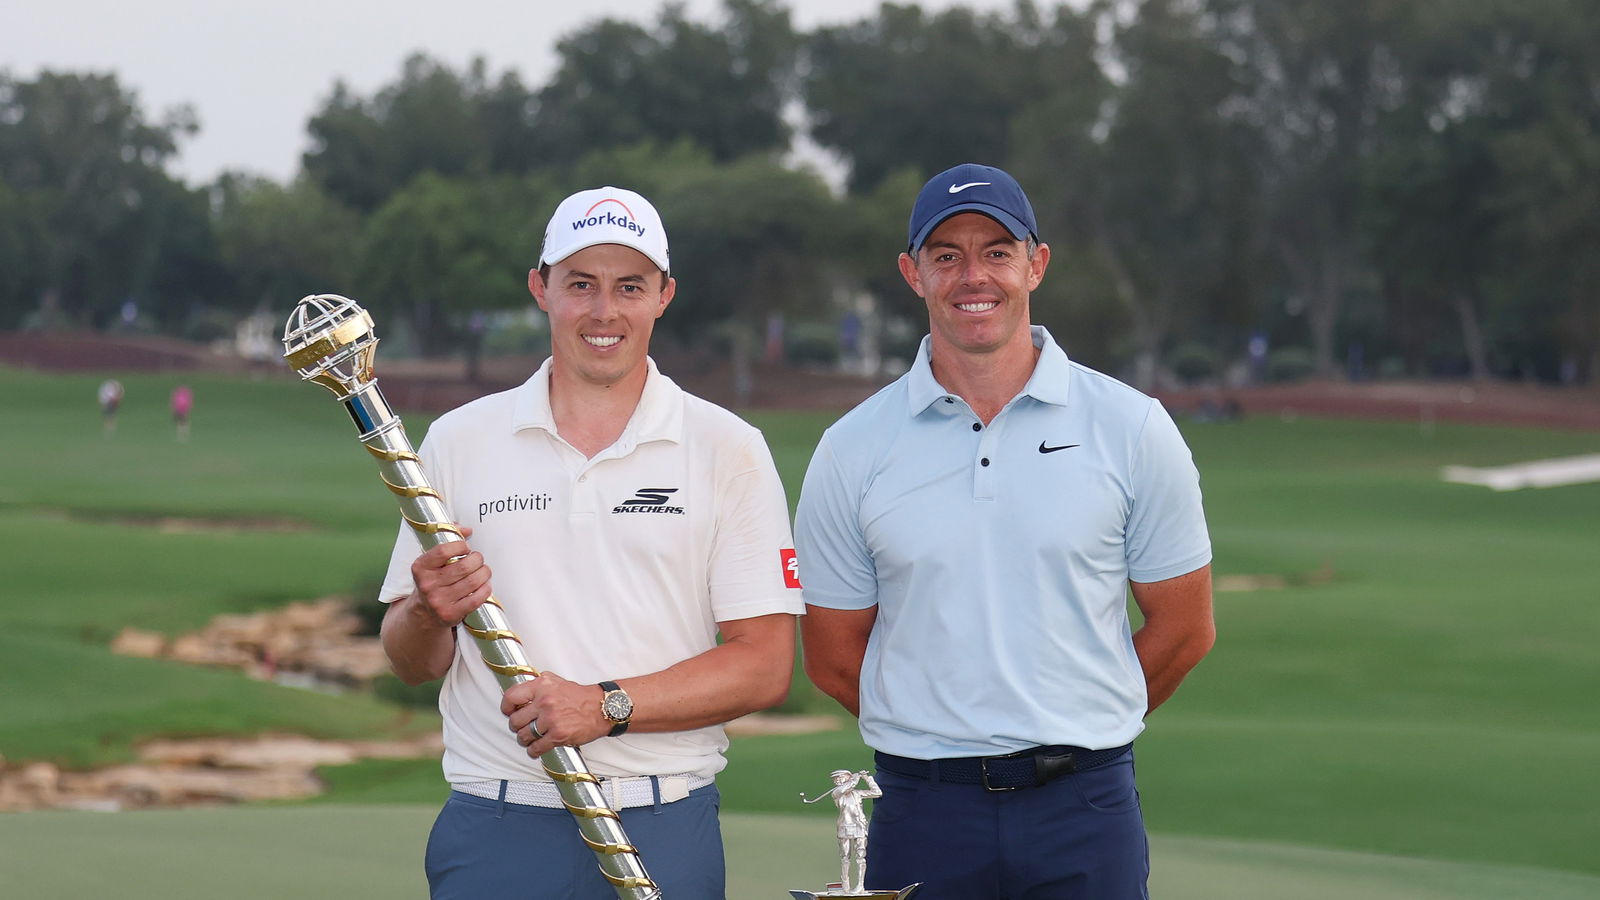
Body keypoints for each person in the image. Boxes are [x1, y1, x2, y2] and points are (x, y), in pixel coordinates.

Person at [794, 163, 1215, 899]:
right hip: (922, 809)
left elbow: (1185, 629)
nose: (972, 276)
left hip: (1084, 805)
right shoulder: (852, 447)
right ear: (912, 274)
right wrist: (943, 734)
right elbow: (832, 656)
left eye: (996, 251)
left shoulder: (1132, 426)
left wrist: (1081, 715)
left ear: (1035, 264)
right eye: (946, 256)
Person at [377, 186, 804, 899]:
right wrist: (426, 612)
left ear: (664, 295)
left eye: (628, 286)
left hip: (664, 822)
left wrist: (604, 705)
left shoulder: (729, 448)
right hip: (497, 821)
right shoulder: (459, 440)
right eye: (581, 284)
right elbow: (409, 661)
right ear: (541, 289)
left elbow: (764, 667)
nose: (604, 312)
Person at [801, 769, 881, 894]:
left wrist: (867, 778)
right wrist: (856, 777)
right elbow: (848, 787)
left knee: (861, 857)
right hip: (844, 826)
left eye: (840, 777)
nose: (837, 780)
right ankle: (845, 886)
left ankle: (860, 885)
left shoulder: (857, 793)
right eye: (835, 779)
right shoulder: (837, 793)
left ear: (847, 778)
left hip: (859, 826)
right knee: (845, 857)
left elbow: (877, 792)